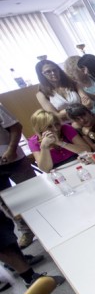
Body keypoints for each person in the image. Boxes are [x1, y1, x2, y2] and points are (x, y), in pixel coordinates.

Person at [0, 104, 36, 248]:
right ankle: (26, 230)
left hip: (13, 159)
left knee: (34, 191)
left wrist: (11, 149)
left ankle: (54, 219)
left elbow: (16, 127)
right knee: (7, 203)